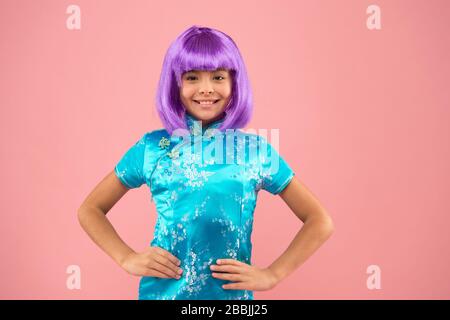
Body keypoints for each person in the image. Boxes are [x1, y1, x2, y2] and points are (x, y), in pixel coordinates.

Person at [78, 25, 334, 300]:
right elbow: (90, 209)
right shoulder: (154, 147)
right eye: (192, 77)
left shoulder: (254, 151)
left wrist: (272, 275)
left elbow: (320, 221)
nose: (206, 89)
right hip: (163, 294)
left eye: (218, 77)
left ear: (234, 83)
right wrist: (126, 258)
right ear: (175, 84)